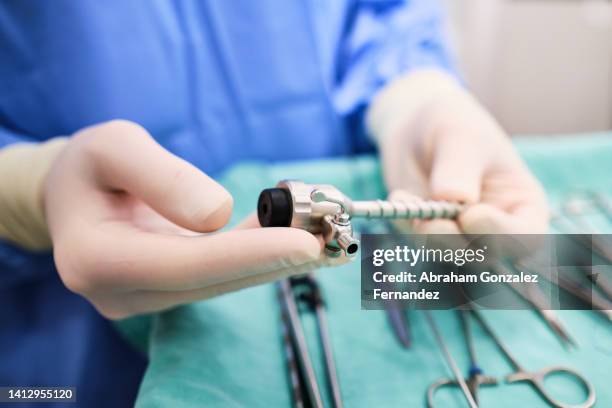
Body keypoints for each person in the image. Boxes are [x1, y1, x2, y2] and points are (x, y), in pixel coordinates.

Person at [0, 1, 548, 406]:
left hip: (359, 233)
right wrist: (25, 188)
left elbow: (379, 17)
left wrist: (412, 94)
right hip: (59, 354)